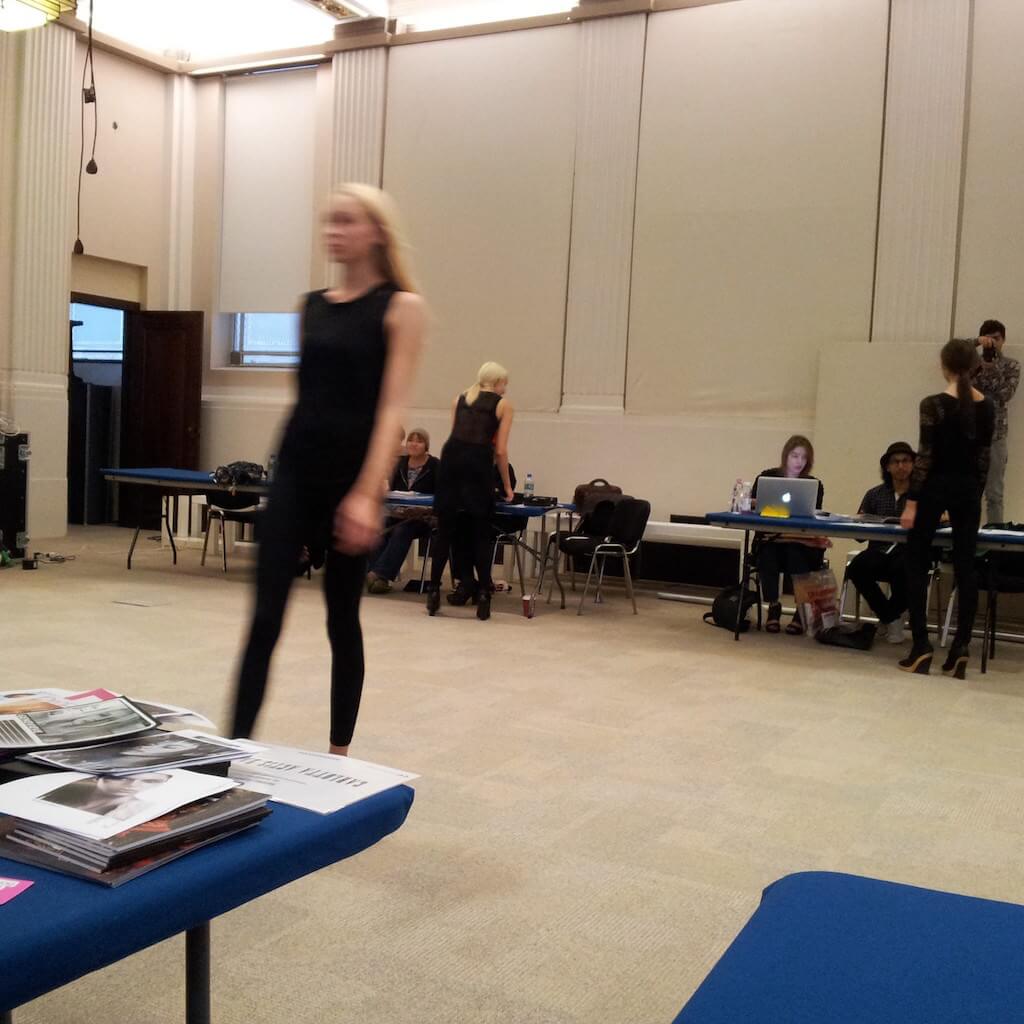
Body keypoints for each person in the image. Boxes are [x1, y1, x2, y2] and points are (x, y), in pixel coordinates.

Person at [230, 184, 426, 755]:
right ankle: (233, 751)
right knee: (264, 617)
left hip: (350, 480)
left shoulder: (402, 308)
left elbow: (391, 407)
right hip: (295, 471)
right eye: (328, 221)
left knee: (342, 618)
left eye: (346, 221)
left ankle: (340, 753)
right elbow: (307, 397)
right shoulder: (310, 305)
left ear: (377, 231)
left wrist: (367, 493)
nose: (333, 231)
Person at [900, 338, 995, 678]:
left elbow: (925, 457)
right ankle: (961, 647)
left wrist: (912, 502)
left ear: (943, 366)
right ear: (974, 366)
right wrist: (973, 496)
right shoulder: (988, 407)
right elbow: (984, 460)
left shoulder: (933, 404)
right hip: (968, 491)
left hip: (934, 489)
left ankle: (921, 646)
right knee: (966, 568)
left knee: (916, 563)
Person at [427, 362, 515, 621]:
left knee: (445, 530)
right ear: (497, 382)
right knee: (481, 533)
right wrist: (507, 486)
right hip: (478, 462)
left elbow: (456, 435)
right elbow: (500, 450)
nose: (505, 388)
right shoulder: (503, 405)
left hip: (451, 460)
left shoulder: (460, 399)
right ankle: (484, 593)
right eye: (504, 383)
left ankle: (433, 590)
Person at [751, 435, 826, 635]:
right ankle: (773, 606)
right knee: (767, 552)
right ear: (786, 456)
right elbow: (753, 507)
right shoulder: (767, 477)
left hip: (799, 541)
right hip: (771, 538)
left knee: (796, 554)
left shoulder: (814, 484)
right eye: (795, 456)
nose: (799, 461)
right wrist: (755, 503)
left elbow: (814, 515)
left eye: (804, 457)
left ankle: (801, 611)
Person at [846, 442, 915, 644]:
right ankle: (891, 617)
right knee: (857, 567)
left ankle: (889, 616)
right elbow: (859, 535)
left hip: (909, 551)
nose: (901, 466)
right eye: (896, 461)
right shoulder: (874, 494)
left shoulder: (922, 495)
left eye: (906, 461)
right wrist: (860, 521)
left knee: (905, 568)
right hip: (879, 550)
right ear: (887, 466)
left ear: (913, 465)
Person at [366, 428, 439, 594]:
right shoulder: (400, 464)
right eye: (411, 440)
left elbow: (440, 494)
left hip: (423, 518)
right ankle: (376, 577)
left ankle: (378, 575)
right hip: (398, 514)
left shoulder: (435, 465)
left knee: (402, 531)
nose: (414, 444)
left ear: (426, 445)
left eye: (419, 441)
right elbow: (392, 491)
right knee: (378, 526)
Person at [447, 462, 523, 605]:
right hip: (471, 515)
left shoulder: (504, 468)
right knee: (456, 530)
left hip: (495, 518)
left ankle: (475, 584)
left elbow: (503, 494)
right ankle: (468, 581)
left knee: (474, 533)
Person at [971, 319, 1018, 525]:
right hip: (970, 435)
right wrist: (976, 342)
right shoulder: (972, 363)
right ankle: (965, 535)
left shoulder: (1011, 365)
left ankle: (995, 538)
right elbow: (955, 348)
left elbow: (1005, 395)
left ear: (1003, 340)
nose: (992, 343)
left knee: (995, 494)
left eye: (996, 339)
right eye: (988, 339)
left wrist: (993, 368)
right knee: (967, 491)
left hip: (996, 436)